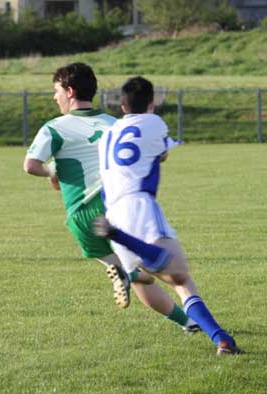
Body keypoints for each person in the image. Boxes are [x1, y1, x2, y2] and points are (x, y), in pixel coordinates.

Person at [24, 62, 199, 332]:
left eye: (56, 90)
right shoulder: (114, 123)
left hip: (83, 214)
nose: (54, 96)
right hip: (119, 205)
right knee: (159, 273)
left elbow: (30, 165)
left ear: (69, 91)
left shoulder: (54, 128)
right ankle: (190, 320)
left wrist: (52, 171)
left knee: (138, 274)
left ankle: (129, 274)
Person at [95, 75, 241, 355]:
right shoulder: (155, 122)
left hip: (111, 210)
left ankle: (222, 339)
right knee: (180, 276)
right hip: (139, 206)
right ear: (152, 103)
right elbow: (161, 154)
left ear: (122, 107)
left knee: (151, 279)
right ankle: (220, 338)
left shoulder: (106, 135)